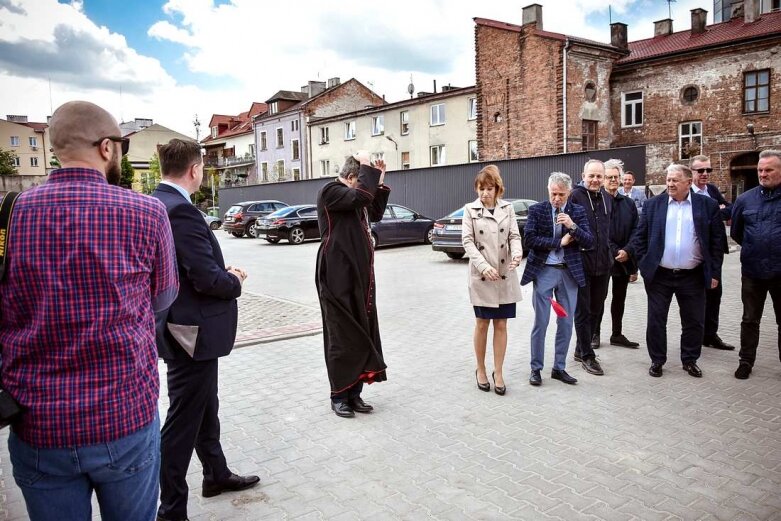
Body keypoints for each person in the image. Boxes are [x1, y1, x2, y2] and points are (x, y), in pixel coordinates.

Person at [0, 100, 179, 520]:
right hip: (124, 415)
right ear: (105, 147)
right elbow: (164, 298)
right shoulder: (147, 211)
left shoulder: (9, 216)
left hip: (38, 424)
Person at [153, 139, 259, 521]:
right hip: (189, 333)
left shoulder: (159, 201)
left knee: (204, 405)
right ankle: (171, 509)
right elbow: (205, 278)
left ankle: (215, 473)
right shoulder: (180, 210)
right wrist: (234, 279)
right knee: (182, 420)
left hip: (182, 329)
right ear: (195, 170)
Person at [631, 164, 725, 378]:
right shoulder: (654, 204)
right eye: (668, 180)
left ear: (688, 182)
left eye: (675, 180)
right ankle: (657, 360)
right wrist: (645, 264)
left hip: (693, 275)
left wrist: (715, 273)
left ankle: (690, 360)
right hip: (660, 275)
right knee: (656, 320)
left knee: (694, 320)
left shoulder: (707, 205)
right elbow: (640, 237)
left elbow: (716, 242)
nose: (670, 184)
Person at [316, 151, 390, 418]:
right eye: (361, 180)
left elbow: (376, 211)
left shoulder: (356, 195)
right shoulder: (331, 191)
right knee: (342, 334)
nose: (364, 187)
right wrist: (368, 166)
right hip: (336, 273)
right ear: (350, 178)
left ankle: (354, 393)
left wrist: (377, 180)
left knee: (362, 328)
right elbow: (362, 196)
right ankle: (339, 395)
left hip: (359, 275)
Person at [522, 172, 594, 386]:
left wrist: (572, 226)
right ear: (548, 191)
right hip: (545, 271)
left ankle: (559, 368)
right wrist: (558, 242)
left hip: (569, 274)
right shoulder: (537, 210)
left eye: (561, 194)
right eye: (553, 194)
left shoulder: (577, 211)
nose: (557, 199)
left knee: (566, 322)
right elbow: (530, 239)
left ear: (569, 193)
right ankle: (536, 368)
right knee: (541, 322)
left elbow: (589, 241)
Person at [462, 165, 523, 395]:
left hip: (505, 273)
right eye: (481, 188)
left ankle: (499, 371)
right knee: (482, 323)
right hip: (482, 275)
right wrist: (484, 267)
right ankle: (480, 369)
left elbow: (514, 235)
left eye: (489, 188)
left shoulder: (508, 209)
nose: (485, 193)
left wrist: (517, 253)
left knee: (501, 324)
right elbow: (467, 242)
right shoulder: (470, 210)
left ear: (498, 189)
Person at [731, 149, 781, 380]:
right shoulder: (745, 199)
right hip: (752, 272)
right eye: (760, 170)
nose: (763, 174)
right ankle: (745, 362)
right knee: (750, 319)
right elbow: (737, 233)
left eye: (768, 169)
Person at [569, 159, 612, 375]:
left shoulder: (605, 197)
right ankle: (587, 355)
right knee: (583, 311)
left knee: (597, 308)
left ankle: (580, 347)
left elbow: (607, 230)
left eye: (599, 176)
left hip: (603, 264)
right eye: (591, 176)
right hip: (581, 263)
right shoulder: (574, 196)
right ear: (583, 175)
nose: (595, 180)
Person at [689, 154, 735, 351]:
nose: (705, 174)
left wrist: (715, 212)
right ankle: (694, 336)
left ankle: (710, 334)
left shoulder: (712, 190)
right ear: (691, 172)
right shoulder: (686, 193)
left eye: (708, 170)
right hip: (695, 252)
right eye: (700, 170)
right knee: (695, 297)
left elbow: (731, 209)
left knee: (715, 293)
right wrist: (716, 211)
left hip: (714, 252)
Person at [596, 159, 640, 348]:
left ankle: (617, 334)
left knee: (619, 298)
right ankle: (594, 334)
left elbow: (637, 230)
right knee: (600, 298)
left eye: (616, 177)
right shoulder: (597, 203)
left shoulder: (628, 203)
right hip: (604, 259)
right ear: (603, 179)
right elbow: (599, 231)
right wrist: (615, 251)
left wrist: (628, 250)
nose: (613, 180)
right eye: (609, 177)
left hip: (624, 258)